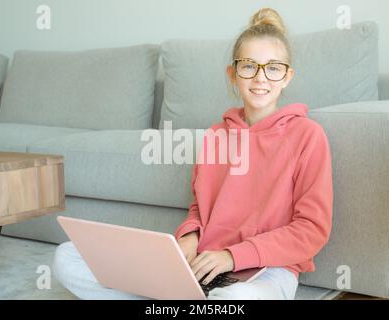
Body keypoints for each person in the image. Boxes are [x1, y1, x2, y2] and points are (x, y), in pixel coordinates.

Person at [52, 7, 333, 300]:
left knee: (232, 299)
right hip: (203, 262)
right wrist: (189, 237)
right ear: (233, 74)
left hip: (268, 270)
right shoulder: (215, 136)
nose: (261, 78)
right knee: (67, 256)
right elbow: (200, 207)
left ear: (287, 77)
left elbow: (311, 229)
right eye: (249, 66)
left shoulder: (307, 136)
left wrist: (232, 256)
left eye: (273, 68)